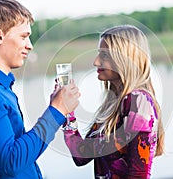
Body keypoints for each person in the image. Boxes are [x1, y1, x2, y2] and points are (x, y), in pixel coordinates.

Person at [0, 0, 80, 179]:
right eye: (23, 36)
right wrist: (56, 111)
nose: (30, 45)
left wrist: (55, 108)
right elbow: (12, 161)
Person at [62, 24, 165, 178]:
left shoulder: (138, 102)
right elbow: (81, 156)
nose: (96, 62)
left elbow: (139, 174)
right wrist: (66, 110)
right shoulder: (113, 105)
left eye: (104, 55)